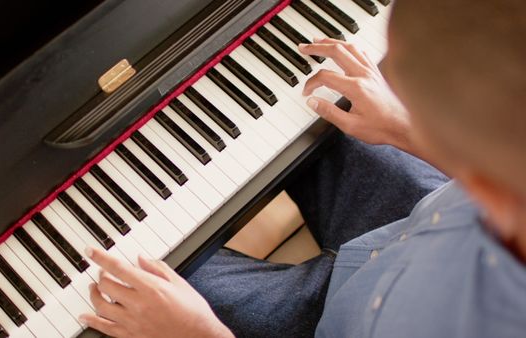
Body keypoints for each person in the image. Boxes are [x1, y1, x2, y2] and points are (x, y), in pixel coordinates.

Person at [78, 0, 526, 336]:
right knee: (313, 111)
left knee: (105, 270)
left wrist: (198, 333)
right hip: (399, 230)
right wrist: (404, 127)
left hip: (328, 327)